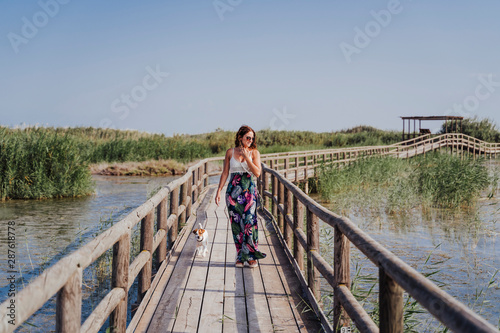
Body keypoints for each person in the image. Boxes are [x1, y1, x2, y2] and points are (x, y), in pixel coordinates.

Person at [215, 125, 266, 268]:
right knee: (237, 225)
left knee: (250, 222)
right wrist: (219, 190)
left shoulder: (255, 153)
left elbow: (257, 173)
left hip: (249, 192)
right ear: (240, 137)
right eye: (247, 137)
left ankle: (250, 255)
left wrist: (247, 157)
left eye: (252, 138)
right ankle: (240, 255)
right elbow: (225, 172)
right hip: (232, 192)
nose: (250, 140)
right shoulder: (230, 152)